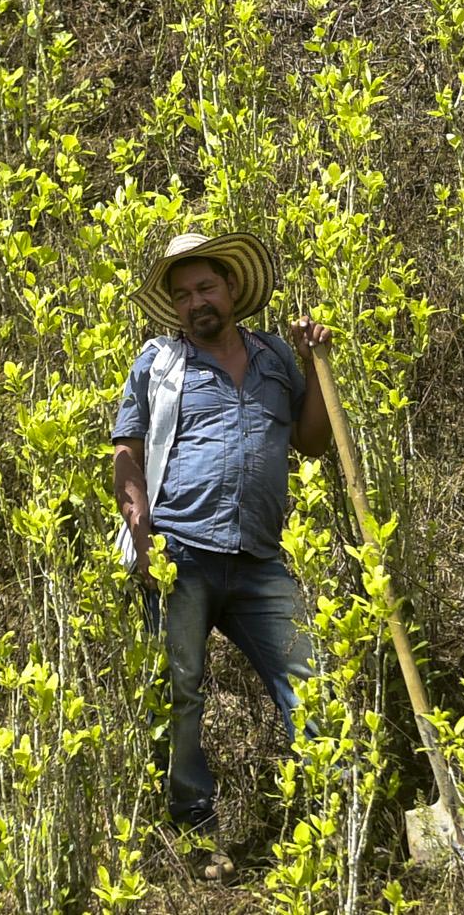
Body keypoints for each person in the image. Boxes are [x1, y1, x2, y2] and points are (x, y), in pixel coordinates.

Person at [109, 230, 333, 878]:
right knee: (179, 694)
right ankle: (197, 839)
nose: (195, 301)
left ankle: (328, 827)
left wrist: (315, 365)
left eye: (205, 286)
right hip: (181, 552)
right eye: (182, 294)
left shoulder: (271, 359)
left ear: (231, 288)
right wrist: (142, 533)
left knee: (312, 686)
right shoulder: (159, 362)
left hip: (261, 557)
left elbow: (313, 441)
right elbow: (127, 449)